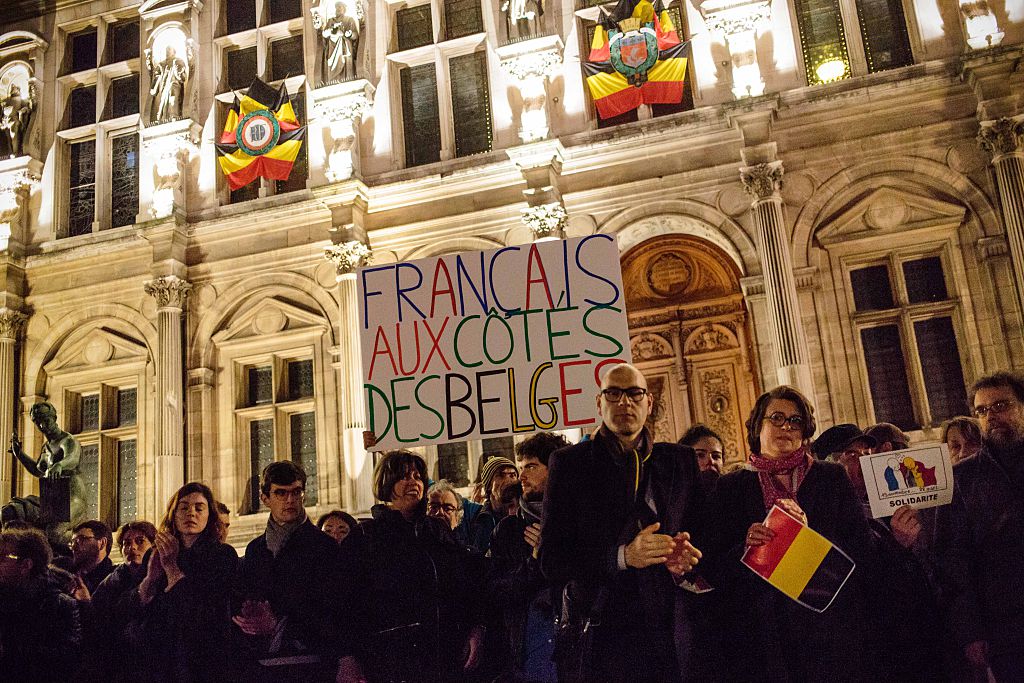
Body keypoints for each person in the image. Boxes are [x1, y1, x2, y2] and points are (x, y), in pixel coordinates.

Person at [540, 363, 704, 683]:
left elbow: (706, 532)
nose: (624, 402)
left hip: (675, 629)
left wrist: (688, 556)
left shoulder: (680, 461)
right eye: (613, 393)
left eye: (634, 393)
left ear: (649, 403)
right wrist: (623, 556)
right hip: (606, 634)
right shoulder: (570, 464)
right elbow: (551, 558)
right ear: (599, 404)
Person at [702, 386, 878, 681]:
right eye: (777, 418)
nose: (786, 427)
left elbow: (862, 551)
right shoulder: (731, 487)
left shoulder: (831, 477)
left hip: (828, 636)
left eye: (795, 421)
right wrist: (746, 548)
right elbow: (712, 566)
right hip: (760, 642)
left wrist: (809, 539)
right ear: (757, 426)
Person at [355, 449, 485, 682]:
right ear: (387, 483)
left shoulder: (437, 531)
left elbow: (462, 584)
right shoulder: (366, 536)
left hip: (441, 657)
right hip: (391, 661)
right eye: (404, 476)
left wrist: (474, 627)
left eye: (417, 477)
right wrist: (349, 657)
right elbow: (351, 603)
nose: (413, 482)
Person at [235, 461, 362, 682]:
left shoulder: (324, 546)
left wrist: (346, 659)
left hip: (313, 661)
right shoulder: (256, 549)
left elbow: (338, 610)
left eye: (296, 492)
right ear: (265, 499)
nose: (290, 500)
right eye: (280, 493)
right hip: (265, 663)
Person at [935, 372, 1024, 681]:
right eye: (982, 410)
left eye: (1001, 405)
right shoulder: (963, 478)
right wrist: (970, 631)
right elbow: (955, 559)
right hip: (1007, 628)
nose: (992, 416)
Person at [130, 482, 238, 683]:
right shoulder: (154, 555)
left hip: (200, 662)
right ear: (174, 513)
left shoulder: (222, 556)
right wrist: (150, 580)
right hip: (160, 661)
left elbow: (202, 611)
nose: (191, 513)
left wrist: (171, 568)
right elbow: (133, 609)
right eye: (184, 507)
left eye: (199, 508)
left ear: (209, 515)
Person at [489, 432, 568, 683]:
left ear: (555, 468)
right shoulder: (508, 530)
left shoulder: (578, 522)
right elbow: (499, 590)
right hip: (530, 649)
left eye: (531, 467)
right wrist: (535, 559)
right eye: (520, 467)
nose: (521, 475)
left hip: (573, 643)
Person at [0, 527, 82, 681]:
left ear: (26, 565)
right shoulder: (5, 597)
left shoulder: (60, 604)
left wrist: (9, 650)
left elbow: (66, 657)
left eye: (3, 557)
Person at [83, 521, 158, 682]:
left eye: (140, 541)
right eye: (126, 543)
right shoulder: (111, 582)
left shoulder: (161, 577)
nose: (132, 548)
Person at [9, 401, 85, 523]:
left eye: (46, 420)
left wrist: (59, 465)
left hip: (72, 498)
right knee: (10, 512)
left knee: (54, 531)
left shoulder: (67, 440)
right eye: (38, 422)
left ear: (54, 418)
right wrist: (19, 454)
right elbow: (38, 471)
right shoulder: (46, 447)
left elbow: (72, 458)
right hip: (51, 499)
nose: (42, 425)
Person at [469, 456, 519, 554]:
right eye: (501, 475)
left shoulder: (525, 515)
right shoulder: (477, 519)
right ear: (489, 486)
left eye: (512, 475)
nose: (508, 481)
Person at [317, 1, 360, 83]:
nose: (338, 9)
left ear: (344, 9)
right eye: (337, 7)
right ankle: (333, 78)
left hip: (344, 45)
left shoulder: (349, 20)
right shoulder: (330, 21)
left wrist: (350, 34)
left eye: (340, 7)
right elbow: (324, 34)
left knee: (341, 40)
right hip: (332, 47)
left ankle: (346, 77)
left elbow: (355, 35)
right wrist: (330, 31)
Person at [69, 519, 115, 593]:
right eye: (73, 542)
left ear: (102, 543)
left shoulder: (115, 580)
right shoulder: (70, 575)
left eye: (81, 539)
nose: (73, 547)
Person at [148, 44, 188, 123]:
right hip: (163, 86)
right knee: (163, 103)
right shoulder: (161, 64)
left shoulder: (178, 60)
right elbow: (157, 76)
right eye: (166, 50)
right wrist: (154, 87)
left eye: (169, 49)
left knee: (173, 100)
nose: (167, 51)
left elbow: (182, 76)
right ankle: (163, 118)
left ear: (174, 51)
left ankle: (174, 116)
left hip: (174, 85)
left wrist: (178, 71)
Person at [426, 480, 470, 547]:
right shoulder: (414, 551)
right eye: (434, 507)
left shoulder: (467, 555)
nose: (440, 512)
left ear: (457, 517)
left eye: (448, 509)